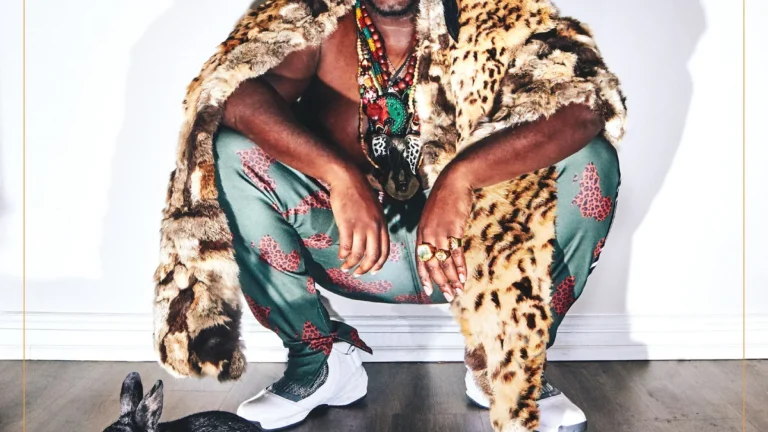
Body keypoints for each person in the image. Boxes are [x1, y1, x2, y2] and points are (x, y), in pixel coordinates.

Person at [151, 0, 626, 431]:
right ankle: (318, 360)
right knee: (228, 150)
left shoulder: (499, 15)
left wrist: (460, 179)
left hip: (476, 257)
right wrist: (339, 175)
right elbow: (233, 93)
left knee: (592, 159)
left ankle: (504, 358)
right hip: (352, 248)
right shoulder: (316, 20)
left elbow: (584, 106)